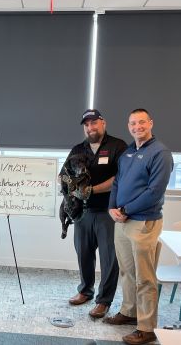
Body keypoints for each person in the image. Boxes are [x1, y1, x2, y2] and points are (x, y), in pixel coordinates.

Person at [103, 108, 173, 345]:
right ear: (129, 126)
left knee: (145, 277)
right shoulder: (128, 153)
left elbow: (154, 192)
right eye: (133, 123)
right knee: (127, 272)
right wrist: (113, 208)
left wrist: (125, 210)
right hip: (121, 221)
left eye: (142, 122)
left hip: (144, 221)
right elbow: (117, 183)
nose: (137, 127)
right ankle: (129, 311)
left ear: (151, 123)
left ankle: (146, 327)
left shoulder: (160, 153)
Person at [63, 109, 127, 320]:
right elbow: (62, 176)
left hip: (108, 212)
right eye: (86, 125)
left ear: (103, 123)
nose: (90, 128)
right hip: (82, 213)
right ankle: (85, 291)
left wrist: (92, 190)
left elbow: (121, 178)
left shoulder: (118, 146)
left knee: (109, 259)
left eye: (94, 123)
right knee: (83, 254)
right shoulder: (78, 149)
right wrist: (70, 187)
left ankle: (103, 301)